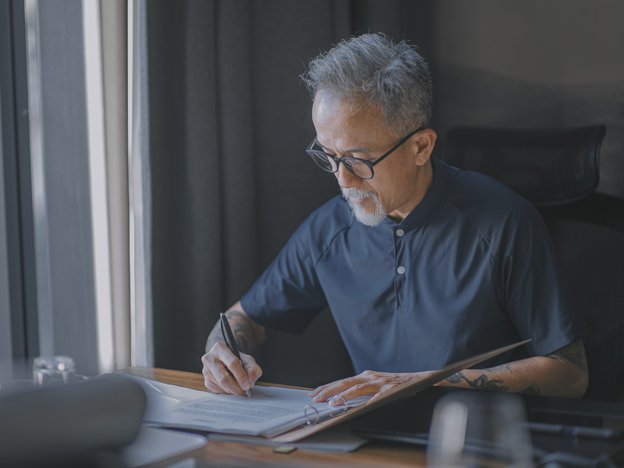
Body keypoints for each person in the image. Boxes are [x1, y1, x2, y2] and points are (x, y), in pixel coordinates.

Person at [201, 33, 588, 403]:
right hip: (370, 441)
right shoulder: (329, 230)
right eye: (328, 156)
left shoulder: (503, 223)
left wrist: (422, 385)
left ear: (421, 146)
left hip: (479, 441)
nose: (342, 179)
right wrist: (223, 351)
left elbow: (570, 374)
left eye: (358, 160)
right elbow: (242, 317)